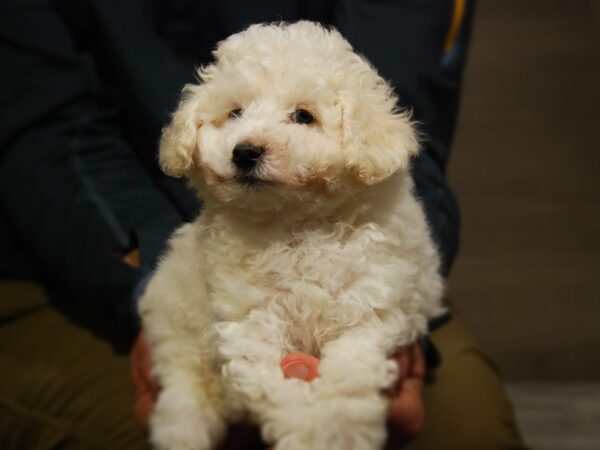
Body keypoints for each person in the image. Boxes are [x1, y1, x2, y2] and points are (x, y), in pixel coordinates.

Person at [0, 0, 526, 448]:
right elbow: (45, 132)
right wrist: (158, 282)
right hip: (80, 257)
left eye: (301, 117)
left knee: (469, 430)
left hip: (357, 243)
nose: (248, 141)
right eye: (233, 114)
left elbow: (403, 120)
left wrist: (394, 295)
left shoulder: (365, 124)